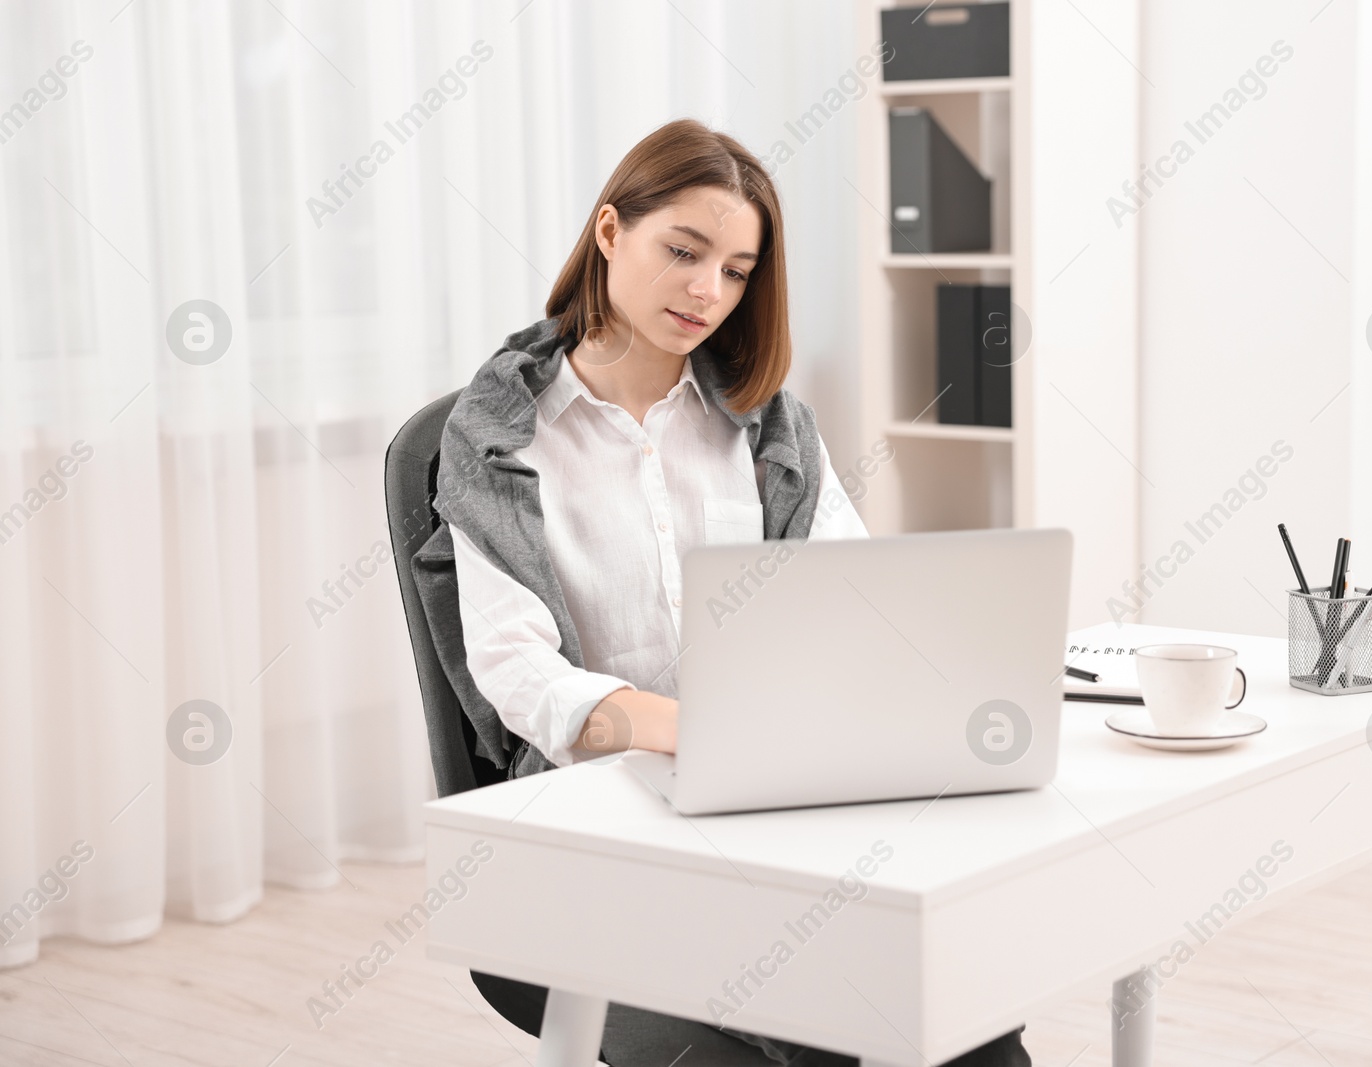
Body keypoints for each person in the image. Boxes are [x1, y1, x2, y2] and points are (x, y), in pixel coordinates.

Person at [434, 117, 1029, 1067]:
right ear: (609, 233)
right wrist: (705, 735)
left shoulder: (766, 425)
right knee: (831, 1025)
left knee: (968, 1030)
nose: (709, 291)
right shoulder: (500, 437)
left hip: (778, 817)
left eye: (739, 270)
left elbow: (852, 600)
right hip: (608, 830)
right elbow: (518, 672)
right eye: (685, 251)